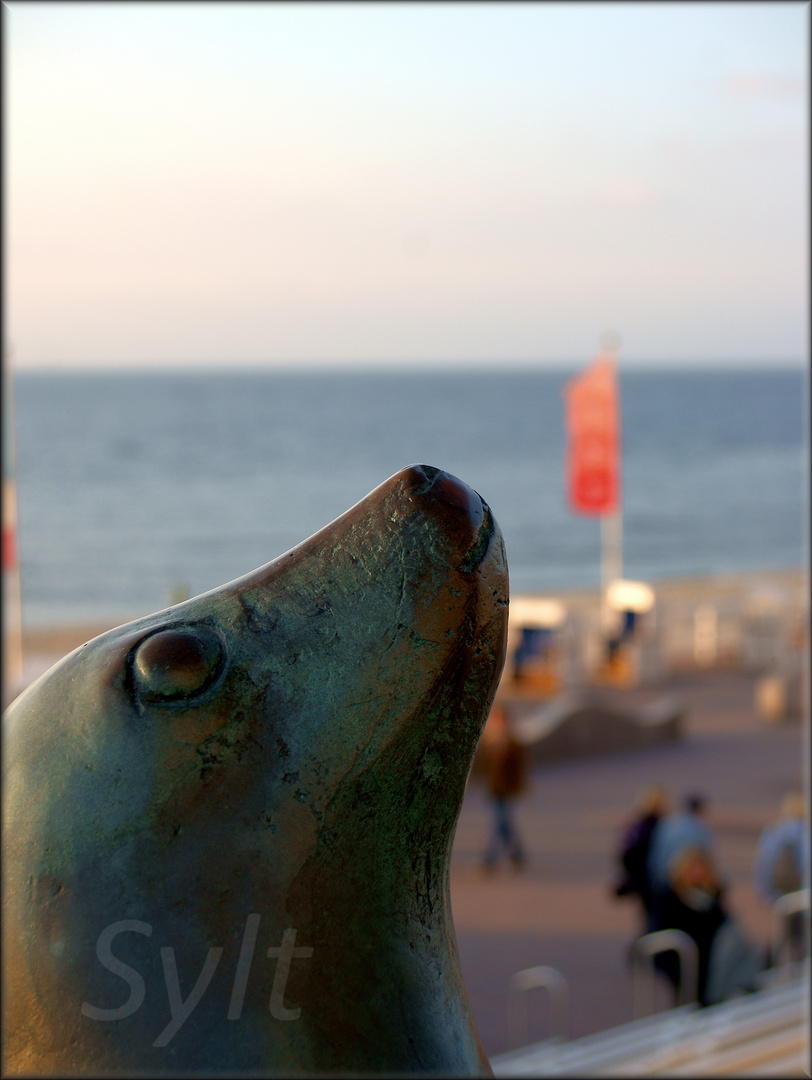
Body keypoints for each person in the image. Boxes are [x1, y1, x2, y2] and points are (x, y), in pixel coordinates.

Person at [655, 847, 763, 1006]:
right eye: (692, 869)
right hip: (686, 966)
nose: (697, 874)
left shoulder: (713, 899)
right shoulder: (671, 900)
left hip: (712, 967)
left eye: (701, 869)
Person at [753, 792, 808, 964]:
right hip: (799, 896)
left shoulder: (773, 831)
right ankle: (793, 969)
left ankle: (771, 964)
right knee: (799, 936)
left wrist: (765, 892)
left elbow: (762, 864)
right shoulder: (804, 833)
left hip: (778, 892)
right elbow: (806, 866)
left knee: (782, 933)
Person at [612, 785, 670, 936]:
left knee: (649, 915)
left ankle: (647, 942)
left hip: (642, 878)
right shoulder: (658, 826)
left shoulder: (638, 825)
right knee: (655, 917)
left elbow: (624, 852)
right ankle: (650, 945)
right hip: (651, 878)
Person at [480, 705, 527, 872]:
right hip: (494, 791)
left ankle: (489, 861)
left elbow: (520, 770)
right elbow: (484, 768)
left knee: (499, 824)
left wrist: (519, 789)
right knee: (505, 825)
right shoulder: (490, 742)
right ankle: (518, 855)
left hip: (508, 791)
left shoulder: (514, 743)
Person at [647, 792, 715, 899]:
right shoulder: (700, 829)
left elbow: (655, 853)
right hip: (687, 881)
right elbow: (705, 857)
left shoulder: (666, 824)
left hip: (663, 877)